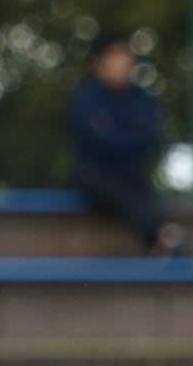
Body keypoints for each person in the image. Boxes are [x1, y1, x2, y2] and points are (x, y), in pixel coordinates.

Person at [67, 34, 184, 255]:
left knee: (142, 195)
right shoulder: (86, 100)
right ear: (99, 62)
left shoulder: (142, 100)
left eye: (125, 60)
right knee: (121, 192)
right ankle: (163, 238)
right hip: (97, 179)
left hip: (134, 178)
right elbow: (98, 142)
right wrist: (126, 141)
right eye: (114, 58)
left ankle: (164, 240)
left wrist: (115, 138)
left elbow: (150, 140)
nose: (120, 66)